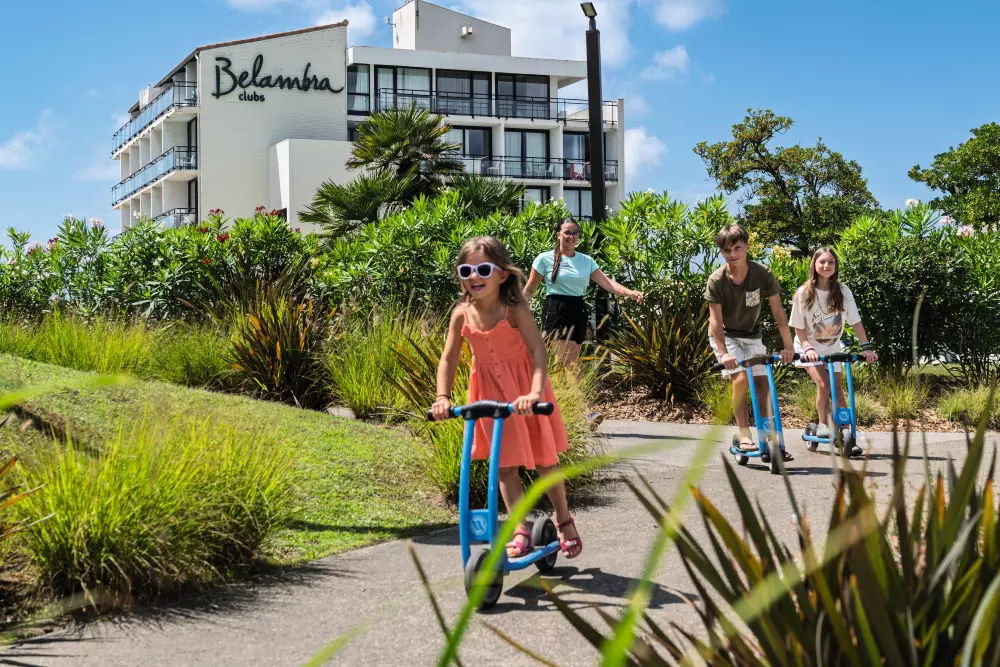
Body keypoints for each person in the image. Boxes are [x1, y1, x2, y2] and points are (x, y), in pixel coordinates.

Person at [432, 236, 582, 560]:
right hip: (489, 397)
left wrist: (535, 392)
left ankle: (564, 520)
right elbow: (448, 359)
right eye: (466, 270)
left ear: (502, 274)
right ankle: (520, 529)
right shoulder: (461, 314)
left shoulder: (513, 310)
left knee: (545, 461)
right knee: (504, 467)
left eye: (483, 269)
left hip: (525, 394)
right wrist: (442, 397)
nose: (474, 277)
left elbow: (538, 351)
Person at [705, 224, 796, 458]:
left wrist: (789, 346)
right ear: (721, 252)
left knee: (763, 385)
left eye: (737, 248)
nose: (733, 254)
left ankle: (768, 439)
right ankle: (744, 434)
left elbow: (778, 312)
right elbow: (715, 321)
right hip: (726, 336)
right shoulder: (716, 280)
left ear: (746, 246)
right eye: (727, 250)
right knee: (741, 378)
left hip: (752, 335)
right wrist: (724, 354)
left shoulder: (762, 273)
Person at [789, 246, 878, 452]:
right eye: (822, 262)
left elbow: (856, 322)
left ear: (835, 266)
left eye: (831, 262)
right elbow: (798, 327)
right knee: (824, 385)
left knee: (838, 390)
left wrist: (866, 347)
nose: (826, 265)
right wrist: (807, 347)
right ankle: (822, 424)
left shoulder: (843, 291)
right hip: (807, 348)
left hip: (832, 349)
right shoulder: (804, 293)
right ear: (814, 265)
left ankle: (847, 434)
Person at [523, 217, 643, 368]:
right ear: (558, 235)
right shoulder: (544, 259)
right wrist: (514, 309)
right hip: (556, 308)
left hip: (578, 310)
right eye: (567, 233)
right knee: (568, 362)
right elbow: (530, 288)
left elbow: (607, 283)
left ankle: (558, 390)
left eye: (575, 233)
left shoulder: (586, 260)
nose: (571, 236)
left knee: (565, 361)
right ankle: (577, 391)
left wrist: (630, 292)